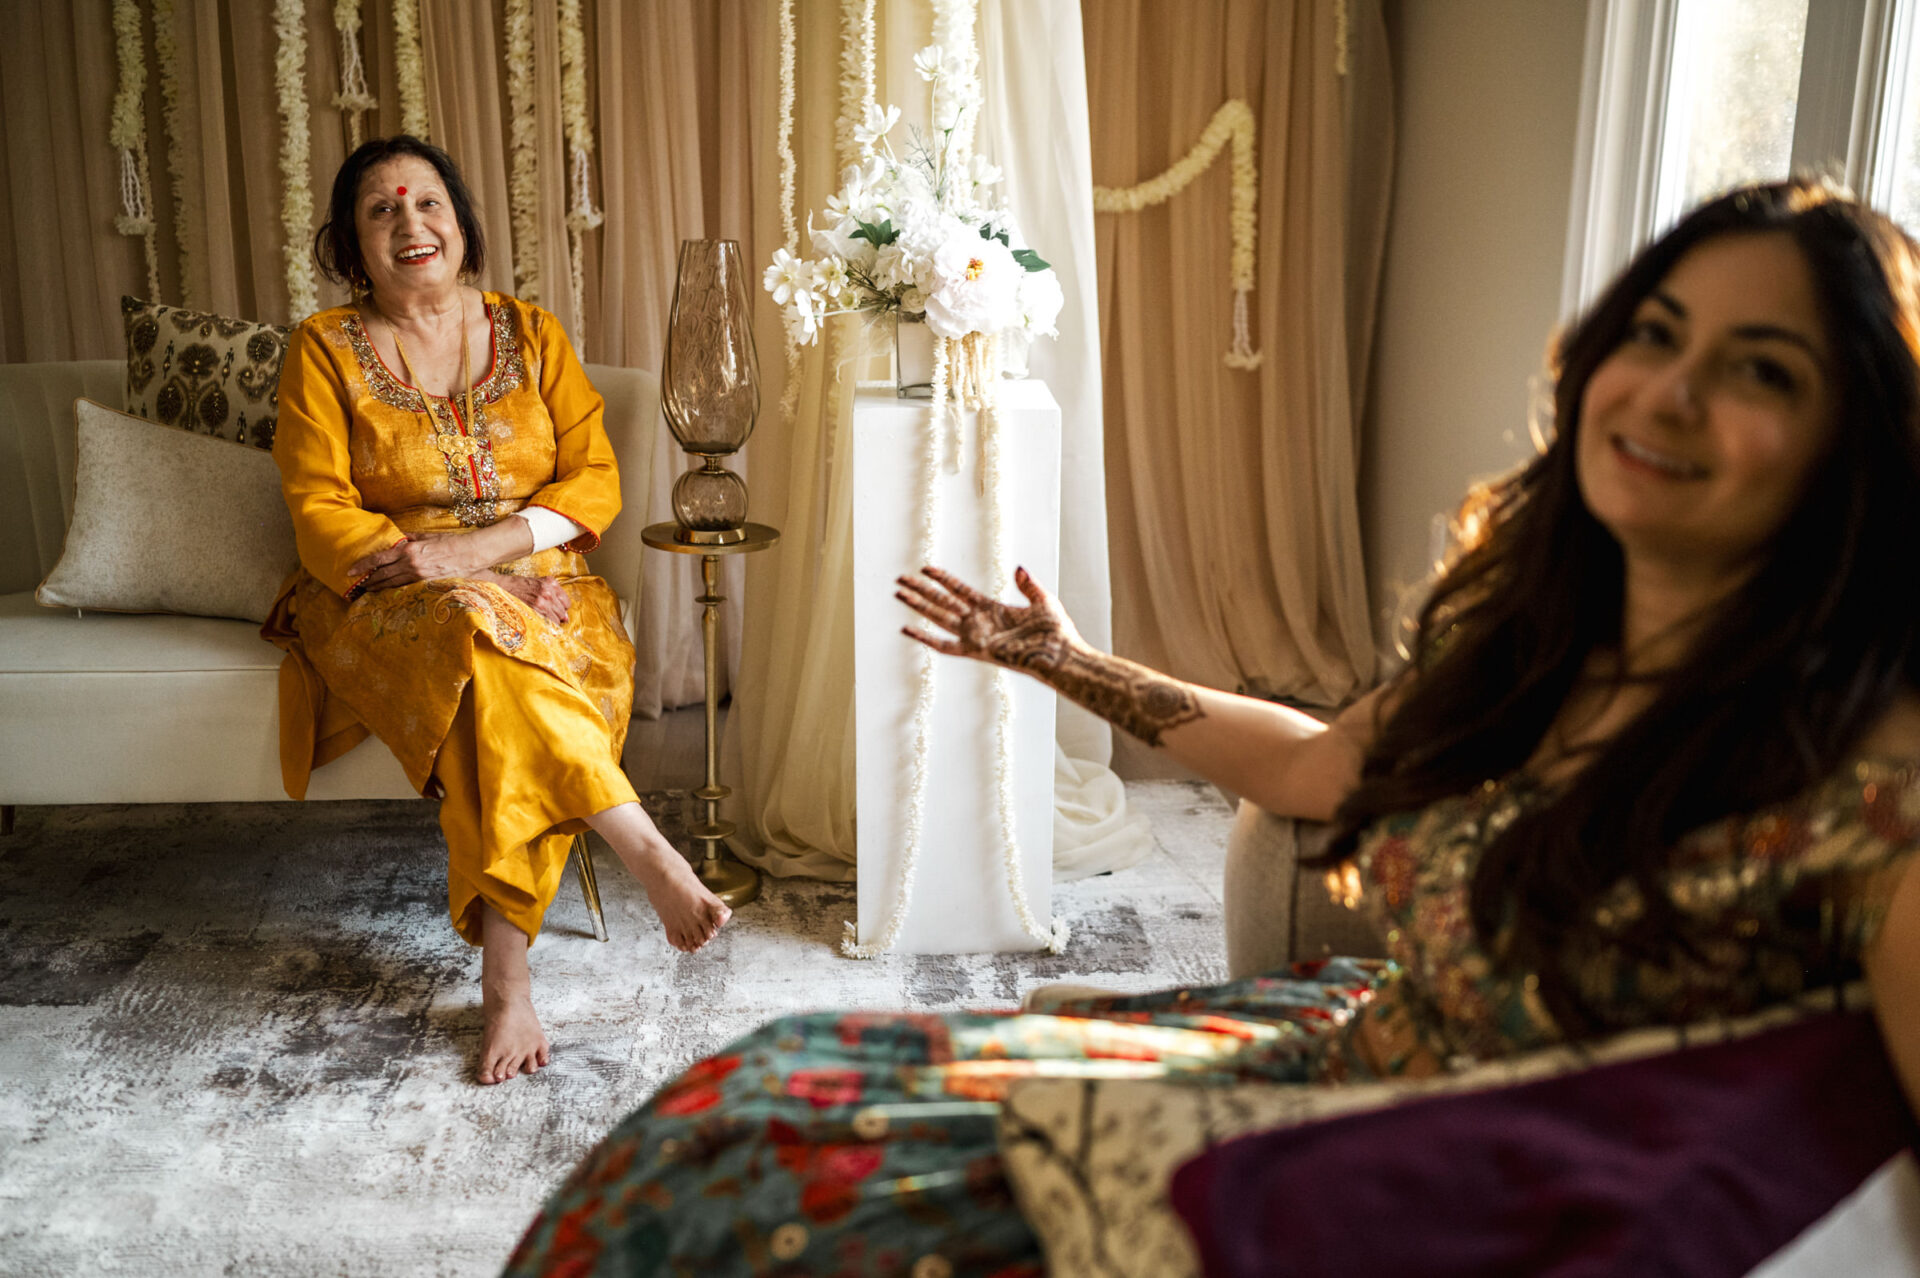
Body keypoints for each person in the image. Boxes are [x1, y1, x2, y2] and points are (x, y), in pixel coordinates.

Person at [501, 180, 1920, 1272]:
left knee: (751, 1225)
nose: (1672, 391)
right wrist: (1063, 662)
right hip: (1352, 1069)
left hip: (1451, 1197)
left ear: (1857, 447)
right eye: (1656, 334)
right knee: (745, 1105)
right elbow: (1312, 765)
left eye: (1763, 370)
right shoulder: (1538, 642)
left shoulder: (1881, 783)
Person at [264, 135, 731, 1087]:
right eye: (381, 210)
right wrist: (451, 577)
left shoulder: (533, 333)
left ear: (462, 225)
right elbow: (319, 511)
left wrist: (485, 557)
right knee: (474, 636)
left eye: (427, 203)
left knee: (494, 680)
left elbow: (592, 478)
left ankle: (507, 987)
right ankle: (639, 846)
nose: (410, 223)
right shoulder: (323, 349)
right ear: (352, 246)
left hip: (548, 583)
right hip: (385, 594)